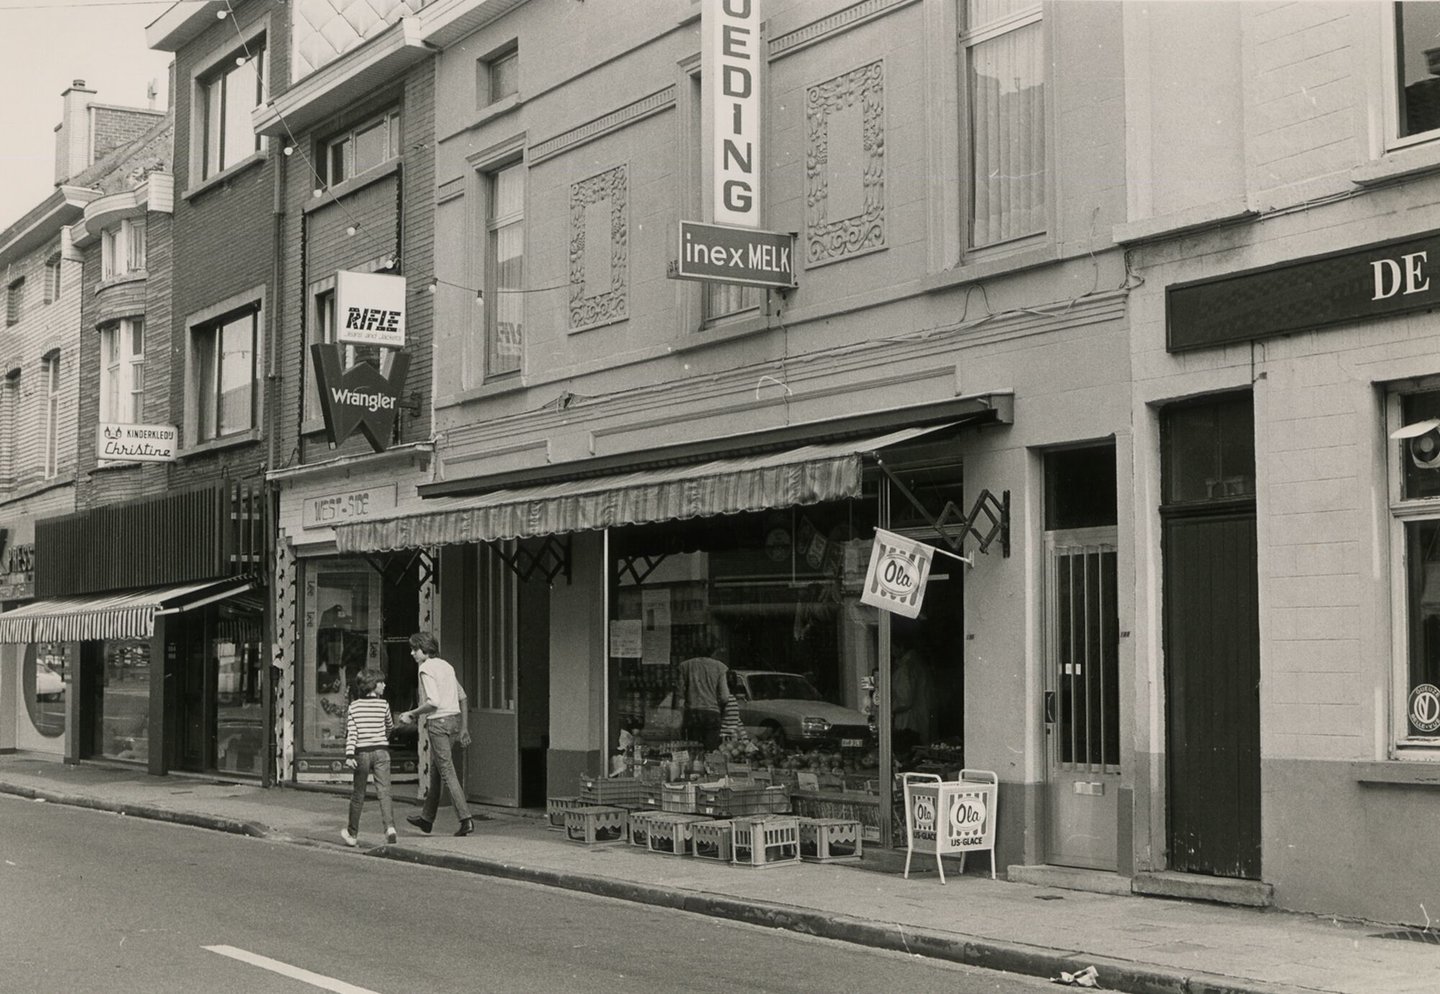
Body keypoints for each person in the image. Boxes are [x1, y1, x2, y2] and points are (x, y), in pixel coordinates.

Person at [398, 632, 476, 837]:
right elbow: (463, 697)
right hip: (454, 721)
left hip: (438, 723)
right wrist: (464, 728)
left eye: (415, 649)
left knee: (447, 771)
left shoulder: (425, 668)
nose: (412, 653)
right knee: (436, 771)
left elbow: (433, 702)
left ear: (424, 650)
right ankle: (426, 819)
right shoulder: (446, 666)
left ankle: (465, 819)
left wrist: (412, 714)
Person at [341, 667, 396, 847]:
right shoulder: (384, 705)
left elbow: (352, 734)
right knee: (384, 792)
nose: (384, 685)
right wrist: (382, 739)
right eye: (381, 682)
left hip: (362, 753)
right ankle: (389, 828)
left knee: (358, 794)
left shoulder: (354, 706)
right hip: (382, 752)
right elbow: (390, 726)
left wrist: (349, 755)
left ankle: (352, 834)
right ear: (373, 685)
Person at [675, 639, 732, 752]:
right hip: (712, 712)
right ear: (712, 651)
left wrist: (680, 714)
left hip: (692, 713)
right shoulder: (720, 667)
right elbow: (725, 696)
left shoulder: (685, 666)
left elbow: (680, 694)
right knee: (711, 751)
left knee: (692, 750)